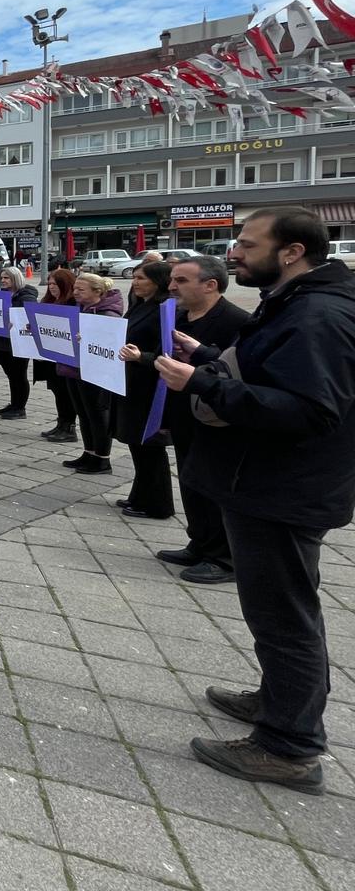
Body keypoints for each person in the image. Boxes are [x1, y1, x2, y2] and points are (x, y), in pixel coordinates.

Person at [154, 209, 355, 792]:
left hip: (281, 489)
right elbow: (272, 375)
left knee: (283, 616)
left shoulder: (318, 314)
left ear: (291, 252)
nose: (234, 253)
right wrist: (212, 360)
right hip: (268, 482)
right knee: (280, 610)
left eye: (246, 244)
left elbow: (310, 411)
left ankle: (289, 747)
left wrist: (203, 384)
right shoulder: (294, 301)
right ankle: (280, 700)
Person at [130, 256, 248, 582]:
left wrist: (200, 356)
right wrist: (144, 358)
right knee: (191, 480)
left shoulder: (236, 321)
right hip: (182, 413)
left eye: (180, 280)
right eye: (172, 280)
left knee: (215, 486)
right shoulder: (178, 316)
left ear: (210, 285)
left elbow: (241, 372)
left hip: (217, 419)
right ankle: (200, 543)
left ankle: (225, 558)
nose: (170, 286)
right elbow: (161, 357)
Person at [112, 263, 173, 518]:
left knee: (149, 445)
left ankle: (157, 504)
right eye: (134, 277)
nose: (135, 282)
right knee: (137, 443)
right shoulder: (140, 305)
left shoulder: (164, 309)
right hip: (130, 381)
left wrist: (141, 357)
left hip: (148, 383)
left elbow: (166, 350)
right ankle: (139, 495)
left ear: (158, 282)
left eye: (141, 278)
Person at [56, 273, 124, 473]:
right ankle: (89, 452)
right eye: (75, 289)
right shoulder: (80, 309)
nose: (75, 292)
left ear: (98, 291)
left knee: (97, 415)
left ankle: (102, 458)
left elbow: (110, 342)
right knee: (83, 414)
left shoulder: (108, 314)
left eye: (81, 290)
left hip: (95, 373)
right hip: (75, 368)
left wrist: (88, 338)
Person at [34, 268, 80, 443]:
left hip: (66, 358)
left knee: (65, 393)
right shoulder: (48, 302)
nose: (52, 287)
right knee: (57, 391)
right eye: (50, 283)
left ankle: (69, 427)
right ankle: (61, 423)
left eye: (56, 284)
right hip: (51, 357)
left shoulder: (71, 304)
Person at [0, 267, 37, 419]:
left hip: (18, 342)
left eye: (7, 278)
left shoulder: (26, 296)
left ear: (15, 279)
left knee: (19, 375)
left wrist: (14, 320)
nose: (3, 280)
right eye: (2, 277)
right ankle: (14, 404)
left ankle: (20, 408)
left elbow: (27, 315)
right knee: (11, 375)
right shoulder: (1, 294)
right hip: (2, 340)